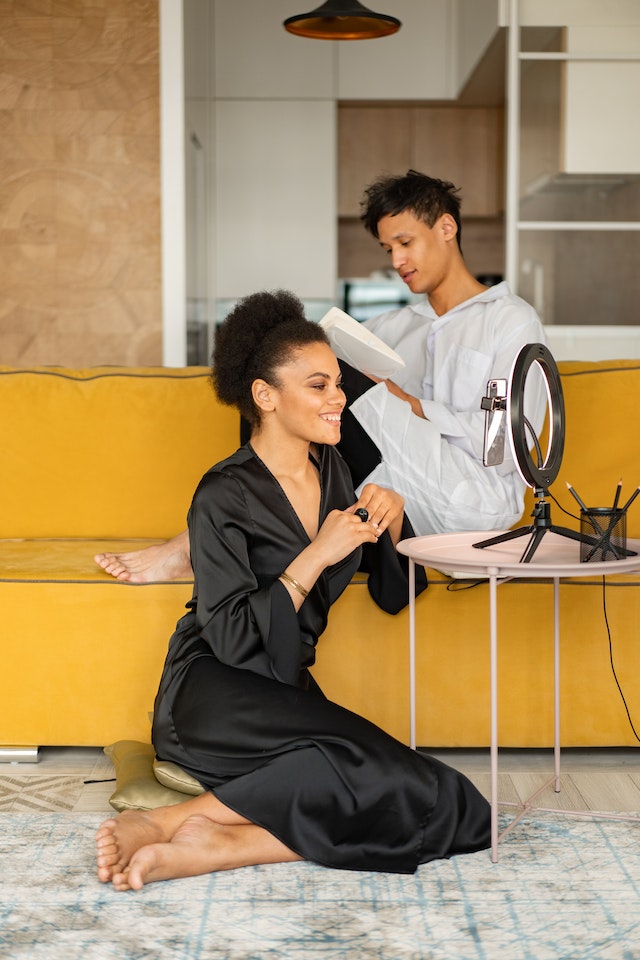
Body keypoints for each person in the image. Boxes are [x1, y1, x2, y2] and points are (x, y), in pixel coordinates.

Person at [95, 290, 490, 891]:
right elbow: (230, 641)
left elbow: (398, 593)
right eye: (319, 386)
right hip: (213, 693)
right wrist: (319, 554)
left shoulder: (335, 472)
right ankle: (181, 829)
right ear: (265, 396)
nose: (339, 399)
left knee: (458, 806)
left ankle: (210, 840)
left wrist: (395, 516)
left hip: (287, 688)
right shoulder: (222, 495)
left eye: (337, 384)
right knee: (395, 782)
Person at [95, 170, 547, 583]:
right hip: (391, 499)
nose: (397, 260)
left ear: (446, 228)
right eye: (389, 249)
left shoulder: (509, 321)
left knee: (310, 374)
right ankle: (213, 540)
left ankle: (193, 545)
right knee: (279, 368)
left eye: (406, 243)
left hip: (471, 504)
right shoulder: (395, 326)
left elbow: (510, 447)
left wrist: (407, 404)